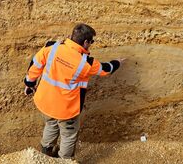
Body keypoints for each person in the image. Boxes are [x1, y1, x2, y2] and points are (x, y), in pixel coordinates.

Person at [23, 23, 125, 159]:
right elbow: (105, 69)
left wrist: (29, 83)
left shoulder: (52, 47)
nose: (91, 45)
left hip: (45, 101)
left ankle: (45, 156)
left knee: (51, 125)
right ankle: (64, 161)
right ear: (86, 42)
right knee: (68, 135)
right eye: (91, 42)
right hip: (66, 109)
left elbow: (35, 64)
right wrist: (118, 62)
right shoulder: (85, 62)